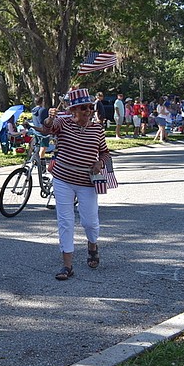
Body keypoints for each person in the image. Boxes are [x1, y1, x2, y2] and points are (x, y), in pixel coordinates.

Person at [40, 88, 110, 280]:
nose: (88, 111)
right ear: (73, 110)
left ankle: (92, 245)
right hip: (63, 178)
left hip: (87, 181)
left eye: (90, 108)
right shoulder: (63, 122)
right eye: (84, 108)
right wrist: (49, 118)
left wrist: (100, 163)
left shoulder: (97, 129)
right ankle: (67, 265)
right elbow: (47, 129)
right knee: (66, 221)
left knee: (89, 222)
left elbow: (104, 152)